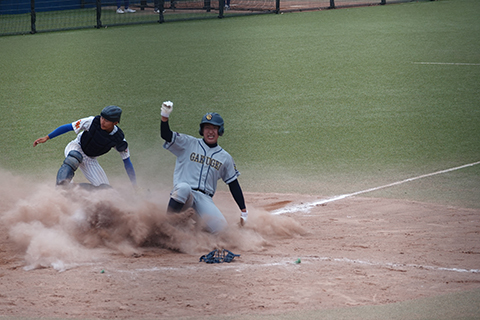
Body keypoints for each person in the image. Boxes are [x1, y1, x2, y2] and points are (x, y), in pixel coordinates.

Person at [160, 101, 248, 234]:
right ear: (202, 130)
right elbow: (166, 135)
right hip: (185, 198)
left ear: (220, 131)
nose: (210, 132)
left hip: (204, 200)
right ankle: (165, 228)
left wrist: (243, 210)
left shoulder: (225, 157)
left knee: (223, 232)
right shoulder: (188, 143)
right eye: (207, 128)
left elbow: (233, 184)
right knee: (183, 188)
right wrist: (164, 116)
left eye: (214, 128)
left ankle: (197, 229)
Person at [33, 105, 137, 190]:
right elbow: (69, 127)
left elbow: (127, 162)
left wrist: (135, 185)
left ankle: (75, 190)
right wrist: (47, 137)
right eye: (102, 118)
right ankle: (60, 189)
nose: (102, 121)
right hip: (77, 146)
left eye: (107, 120)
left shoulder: (118, 139)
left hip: (90, 159)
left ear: (115, 123)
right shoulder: (91, 121)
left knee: (105, 191)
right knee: (74, 157)